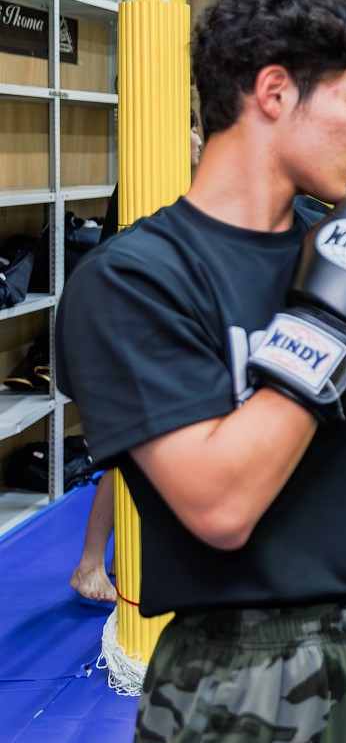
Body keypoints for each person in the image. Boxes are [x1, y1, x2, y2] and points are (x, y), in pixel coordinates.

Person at [55, 0, 346, 743]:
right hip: (248, 669)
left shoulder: (344, 243)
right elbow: (220, 508)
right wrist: (329, 323)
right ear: (275, 91)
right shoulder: (135, 282)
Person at [69, 110, 204, 603]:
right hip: (127, 333)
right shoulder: (145, 189)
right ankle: (89, 565)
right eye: (189, 132)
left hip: (149, 331)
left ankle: (120, 560)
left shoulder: (174, 189)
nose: (197, 141)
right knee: (131, 451)